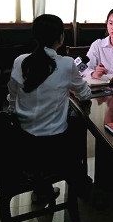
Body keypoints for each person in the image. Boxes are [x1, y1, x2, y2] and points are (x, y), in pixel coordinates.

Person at [7, 14, 92, 202]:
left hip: (21, 143)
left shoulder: (20, 61)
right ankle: (82, 187)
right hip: (53, 147)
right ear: (60, 38)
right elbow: (85, 94)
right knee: (76, 125)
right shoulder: (67, 64)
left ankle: (42, 189)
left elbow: (12, 97)